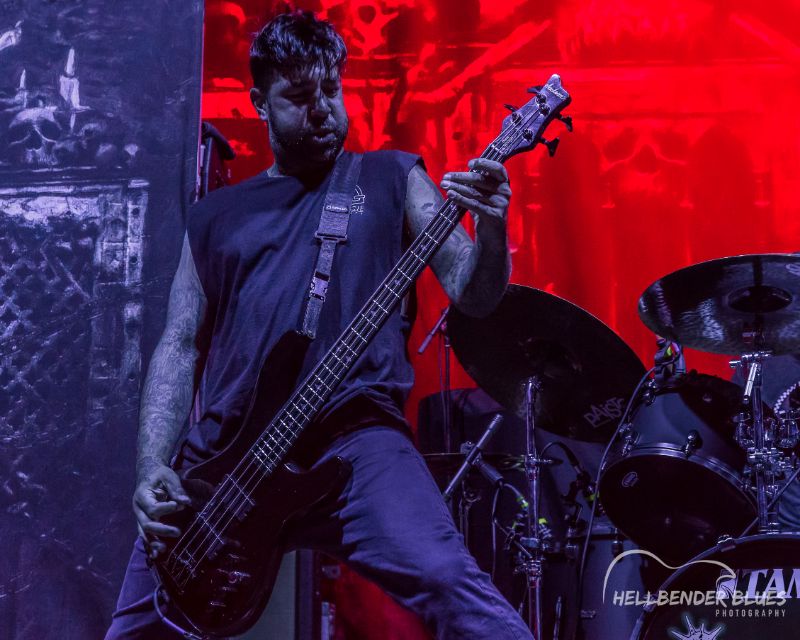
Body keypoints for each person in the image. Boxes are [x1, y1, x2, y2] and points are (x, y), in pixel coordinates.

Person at [105, 10, 533, 640]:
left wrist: (492, 223)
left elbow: (474, 294)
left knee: (451, 584)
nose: (323, 109)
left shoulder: (392, 177)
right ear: (259, 103)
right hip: (227, 457)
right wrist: (150, 467)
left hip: (355, 442)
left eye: (331, 89)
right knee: (139, 629)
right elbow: (179, 344)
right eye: (300, 96)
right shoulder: (215, 215)